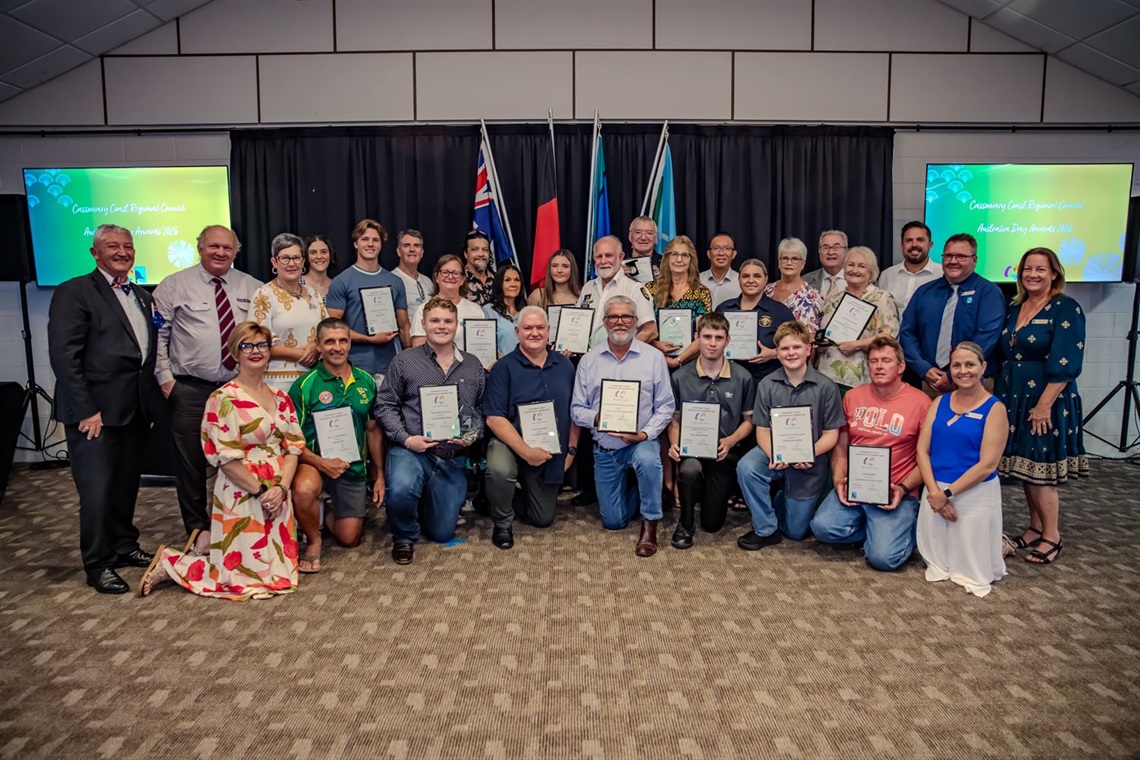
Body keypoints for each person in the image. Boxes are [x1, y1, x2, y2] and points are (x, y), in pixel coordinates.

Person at [140, 322, 305, 600]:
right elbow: (225, 459)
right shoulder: (223, 398)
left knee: (279, 578)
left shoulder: (281, 397)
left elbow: (294, 448)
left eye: (262, 345)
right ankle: (172, 564)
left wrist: (282, 488)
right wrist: (262, 492)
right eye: (247, 345)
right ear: (235, 352)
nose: (256, 351)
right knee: (238, 580)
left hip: (278, 488)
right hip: (243, 488)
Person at [47, 224, 162, 594]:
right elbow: (65, 357)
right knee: (96, 491)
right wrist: (86, 410)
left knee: (125, 485)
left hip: (132, 410)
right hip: (94, 415)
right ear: (95, 252)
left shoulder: (142, 295)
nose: (121, 252)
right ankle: (98, 563)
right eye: (112, 246)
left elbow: (142, 357)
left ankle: (124, 546)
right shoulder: (75, 292)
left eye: (127, 246)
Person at [154, 224, 262, 556]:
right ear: (200, 248)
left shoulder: (252, 287)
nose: (220, 253)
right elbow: (158, 336)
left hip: (237, 389)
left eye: (227, 248)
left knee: (239, 459)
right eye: (213, 246)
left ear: (236, 251)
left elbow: (260, 339)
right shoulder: (174, 286)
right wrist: (165, 379)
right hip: (190, 389)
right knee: (191, 464)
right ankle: (197, 529)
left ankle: (237, 523)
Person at [375, 298, 486, 565]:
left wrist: (472, 434)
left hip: (451, 457)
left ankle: (426, 503)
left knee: (441, 532)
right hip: (411, 450)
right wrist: (405, 438)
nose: (441, 326)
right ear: (423, 324)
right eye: (435, 321)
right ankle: (404, 536)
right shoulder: (404, 361)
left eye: (448, 321)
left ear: (457, 325)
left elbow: (480, 409)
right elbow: (385, 406)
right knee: (401, 490)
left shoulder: (473, 365)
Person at [996, 247, 1088, 565]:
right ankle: (1034, 528)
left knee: (1041, 471)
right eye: (1027, 269)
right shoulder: (1016, 306)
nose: (1033, 275)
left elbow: (1067, 361)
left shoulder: (1066, 308)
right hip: (1014, 397)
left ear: (1054, 274)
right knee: (1026, 468)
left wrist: (1043, 405)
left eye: (1040, 269)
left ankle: (1052, 535)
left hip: (1047, 400)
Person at [809, 336, 932, 570]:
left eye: (886, 360)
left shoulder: (921, 402)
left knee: (884, 560)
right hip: (857, 487)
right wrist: (838, 481)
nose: (878, 366)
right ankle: (875, 531)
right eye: (873, 361)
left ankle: (909, 528)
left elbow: (927, 456)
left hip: (895, 491)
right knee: (822, 528)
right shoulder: (854, 397)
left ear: (901, 366)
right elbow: (841, 446)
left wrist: (904, 488)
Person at [571, 296, 675, 556]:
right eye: (614, 317)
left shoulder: (653, 358)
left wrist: (643, 433)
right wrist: (598, 418)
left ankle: (650, 523)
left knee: (649, 460)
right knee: (613, 522)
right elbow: (576, 410)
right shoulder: (589, 361)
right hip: (605, 449)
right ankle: (648, 489)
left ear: (636, 322)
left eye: (626, 317)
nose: (620, 322)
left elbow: (665, 406)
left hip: (641, 443)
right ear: (605, 322)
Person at [736, 321, 844, 549]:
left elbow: (831, 434)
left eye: (796, 347)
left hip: (810, 460)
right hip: (775, 452)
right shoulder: (767, 384)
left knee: (796, 532)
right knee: (747, 466)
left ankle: (779, 500)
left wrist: (808, 453)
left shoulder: (827, 387)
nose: (791, 353)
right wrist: (774, 454)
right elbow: (762, 430)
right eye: (784, 349)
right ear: (777, 353)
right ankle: (766, 528)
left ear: (808, 349)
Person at [288, 318, 383, 573]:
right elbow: (291, 439)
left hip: (351, 465)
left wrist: (379, 475)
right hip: (313, 462)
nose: (337, 347)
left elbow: (373, 430)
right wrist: (321, 463)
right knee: (305, 489)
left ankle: (327, 506)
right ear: (318, 346)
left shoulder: (366, 382)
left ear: (350, 343)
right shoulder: (304, 386)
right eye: (329, 341)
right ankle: (314, 540)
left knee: (350, 539)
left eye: (343, 340)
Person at [916, 342, 1009, 597]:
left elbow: (988, 464)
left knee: (972, 563)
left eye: (970, 364)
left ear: (983, 367)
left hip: (974, 491)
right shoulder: (939, 403)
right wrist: (934, 491)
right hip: (936, 486)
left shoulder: (995, 409)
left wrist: (947, 494)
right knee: (938, 559)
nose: (963, 371)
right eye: (956, 365)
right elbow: (922, 451)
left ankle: (999, 544)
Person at [484, 306, 580, 549]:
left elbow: (575, 411)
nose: (534, 333)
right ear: (517, 331)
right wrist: (525, 451)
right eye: (528, 328)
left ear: (549, 331)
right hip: (511, 443)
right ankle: (502, 523)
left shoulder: (565, 366)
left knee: (542, 518)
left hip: (550, 451)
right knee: (499, 468)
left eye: (540, 328)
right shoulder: (503, 368)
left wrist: (571, 449)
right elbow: (494, 417)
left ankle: (492, 496)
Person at [666, 313, 755, 549]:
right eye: (706, 337)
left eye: (718, 337)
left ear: (728, 340)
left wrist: (731, 440)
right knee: (690, 471)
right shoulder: (680, 377)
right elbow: (673, 419)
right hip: (692, 450)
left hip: (722, 453)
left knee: (712, 524)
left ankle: (706, 494)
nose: (712, 343)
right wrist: (675, 443)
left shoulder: (742, 377)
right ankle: (685, 524)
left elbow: (749, 421)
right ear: (697, 338)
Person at [899, 233, 1005, 397]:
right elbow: (907, 332)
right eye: (948, 256)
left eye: (961, 256)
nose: (953, 261)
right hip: (930, 383)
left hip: (973, 382)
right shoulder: (924, 292)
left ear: (974, 260)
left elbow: (986, 337)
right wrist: (923, 368)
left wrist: (953, 374)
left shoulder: (988, 292)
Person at [325, 219, 410, 385]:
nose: (370, 244)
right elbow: (332, 328)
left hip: (390, 364)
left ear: (381, 244)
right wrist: (369, 339)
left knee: (388, 410)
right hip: (355, 365)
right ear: (356, 244)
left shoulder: (395, 281)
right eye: (365, 239)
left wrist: (409, 357)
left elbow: (404, 325)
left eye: (375, 240)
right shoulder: (342, 281)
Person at [250, 233, 327, 392]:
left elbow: (327, 331)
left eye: (296, 258)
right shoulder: (263, 295)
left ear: (303, 261)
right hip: (277, 384)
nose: (291, 264)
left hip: (315, 379)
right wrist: (301, 354)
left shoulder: (313, 294)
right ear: (274, 262)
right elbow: (257, 343)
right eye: (285, 258)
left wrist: (315, 346)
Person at [815, 246, 900, 390]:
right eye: (850, 265)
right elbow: (824, 330)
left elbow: (889, 336)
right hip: (826, 374)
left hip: (860, 377)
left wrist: (856, 345)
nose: (854, 270)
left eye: (861, 266)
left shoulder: (881, 298)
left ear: (871, 271)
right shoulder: (834, 298)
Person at [716, 259, 796, 386]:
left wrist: (774, 353)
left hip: (766, 381)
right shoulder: (723, 309)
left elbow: (797, 345)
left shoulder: (780, 311)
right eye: (745, 276)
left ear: (766, 280)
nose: (751, 280)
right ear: (739, 280)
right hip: (728, 379)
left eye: (757, 276)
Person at [578, 236, 657, 349]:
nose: (603, 261)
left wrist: (623, 352)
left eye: (609, 255)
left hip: (620, 361)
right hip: (587, 359)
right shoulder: (588, 287)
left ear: (621, 257)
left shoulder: (634, 288)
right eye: (599, 256)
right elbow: (577, 324)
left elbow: (650, 331)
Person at [647, 235, 712, 369]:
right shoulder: (650, 289)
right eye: (674, 254)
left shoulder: (701, 293)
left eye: (684, 255)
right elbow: (641, 328)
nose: (679, 259)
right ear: (667, 258)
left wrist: (677, 360)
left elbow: (704, 334)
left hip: (690, 364)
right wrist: (656, 345)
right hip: (653, 359)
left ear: (691, 260)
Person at [410, 255, 486, 349]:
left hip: (471, 363)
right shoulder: (424, 310)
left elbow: (484, 345)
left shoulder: (476, 310)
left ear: (463, 280)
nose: (450, 277)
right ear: (436, 277)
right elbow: (418, 350)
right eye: (445, 272)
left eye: (456, 273)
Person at [877, 221, 941, 316]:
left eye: (920, 240)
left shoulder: (942, 274)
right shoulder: (887, 275)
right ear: (902, 245)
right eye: (909, 240)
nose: (914, 244)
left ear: (930, 245)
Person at [765, 237, 824, 332]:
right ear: (779, 262)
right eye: (785, 258)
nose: (789, 263)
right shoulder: (767, 290)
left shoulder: (812, 296)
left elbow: (810, 336)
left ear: (803, 264)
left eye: (795, 259)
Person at [483, 264, 526, 358]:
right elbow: (484, 344)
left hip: (528, 366)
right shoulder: (488, 310)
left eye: (517, 280)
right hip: (502, 366)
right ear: (499, 284)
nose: (513, 284)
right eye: (507, 280)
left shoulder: (526, 311)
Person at [392, 228, 433, 314]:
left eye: (417, 246)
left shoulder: (428, 281)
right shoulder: (391, 280)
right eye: (406, 245)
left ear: (421, 252)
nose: (412, 249)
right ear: (399, 251)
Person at [699, 232, 741, 310]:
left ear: (734, 254)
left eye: (727, 248)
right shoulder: (696, 280)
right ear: (708, 254)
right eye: (716, 248)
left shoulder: (742, 281)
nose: (721, 253)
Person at [804, 230, 849, 302]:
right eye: (826, 248)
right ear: (819, 251)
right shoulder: (805, 281)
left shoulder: (859, 280)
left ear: (846, 251)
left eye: (836, 248)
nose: (830, 252)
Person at [624, 215, 660, 282]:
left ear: (655, 238)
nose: (643, 238)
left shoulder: (666, 263)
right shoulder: (618, 263)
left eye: (649, 233)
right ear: (630, 236)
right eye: (638, 232)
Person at [302, 234, 337, 302]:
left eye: (324, 252)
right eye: (313, 252)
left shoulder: (337, 286)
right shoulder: (296, 284)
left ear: (330, 254)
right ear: (306, 256)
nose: (319, 256)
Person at [463, 230, 494, 306]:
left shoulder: (499, 280)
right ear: (465, 254)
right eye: (475, 249)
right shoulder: (458, 280)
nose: (481, 254)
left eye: (485, 250)